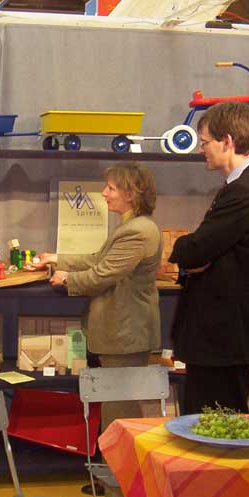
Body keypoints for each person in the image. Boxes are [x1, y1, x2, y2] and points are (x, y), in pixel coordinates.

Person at [26, 162, 162, 429]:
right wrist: (56, 259)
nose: (104, 193)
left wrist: (67, 278)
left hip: (126, 335)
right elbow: (98, 259)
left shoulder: (138, 231)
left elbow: (102, 274)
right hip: (124, 335)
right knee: (116, 404)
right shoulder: (131, 226)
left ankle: (119, 468)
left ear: (131, 194)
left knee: (120, 410)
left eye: (111, 188)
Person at [169, 101, 249, 414]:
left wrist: (190, 251)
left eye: (205, 142)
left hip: (223, 340)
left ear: (227, 141)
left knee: (215, 433)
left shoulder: (245, 191)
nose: (202, 149)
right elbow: (201, 251)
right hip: (221, 340)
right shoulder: (244, 187)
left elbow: (192, 250)